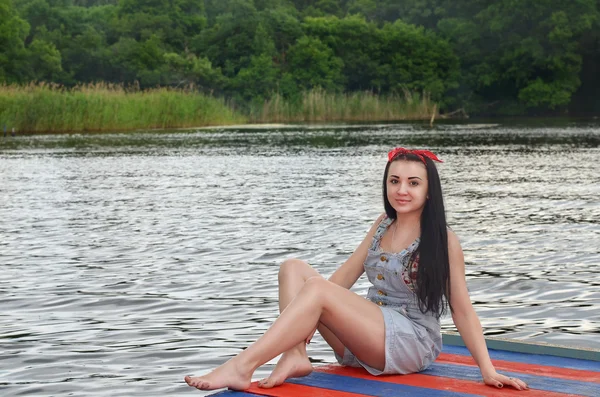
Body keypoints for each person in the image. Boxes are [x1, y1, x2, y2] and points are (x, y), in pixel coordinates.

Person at [184, 147, 528, 391]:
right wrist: (304, 321)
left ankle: (243, 366)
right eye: (394, 181)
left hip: (409, 341)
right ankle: (295, 355)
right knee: (294, 268)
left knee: (317, 290)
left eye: (413, 183)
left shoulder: (442, 239)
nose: (401, 190)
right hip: (366, 334)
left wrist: (487, 369)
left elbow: (462, 309)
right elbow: (344, 276)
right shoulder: (382, 224)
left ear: (428, 191)